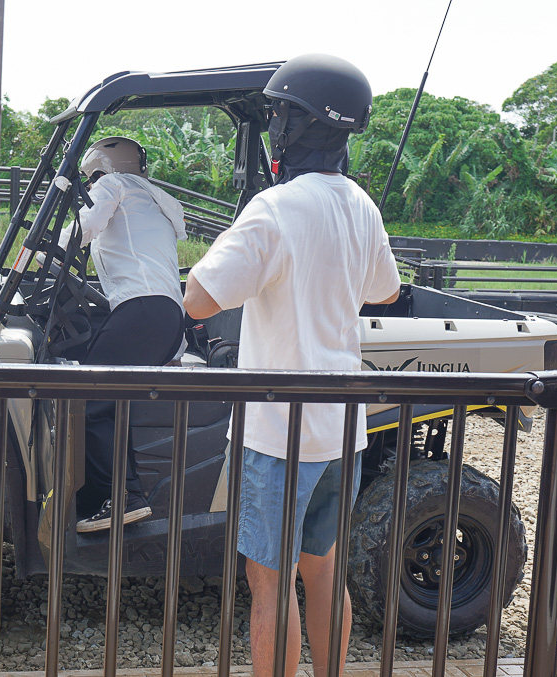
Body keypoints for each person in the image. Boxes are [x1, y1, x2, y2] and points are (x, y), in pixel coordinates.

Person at [182, 54, 402, 677]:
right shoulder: (362, 207)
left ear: (299, 126)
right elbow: (384, 289)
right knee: (325, 575)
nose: (274, 124)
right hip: (341, 430)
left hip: (278, 434)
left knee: (270, 588)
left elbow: (199, 297)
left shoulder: (273, 208)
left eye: (280, 114)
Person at [58, 136, 188, 533]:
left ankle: (123, 497)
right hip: (166, 316)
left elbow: (83, 229)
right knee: (110, 400)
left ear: (99, 171)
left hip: (142, 309)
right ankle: (111, 496)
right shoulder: (156, 199)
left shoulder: (112, 187)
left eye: (90, 178)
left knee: (89, 396)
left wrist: (43, 252)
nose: (90, 186)